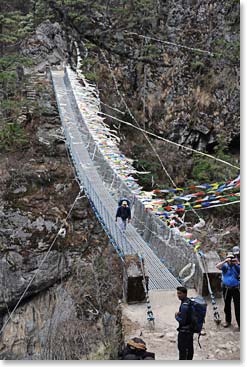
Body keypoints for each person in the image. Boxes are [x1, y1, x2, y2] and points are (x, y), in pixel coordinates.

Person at [216, 252, 240, 329]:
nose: (230, 260)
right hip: (226, 288)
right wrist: (225, 261)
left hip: (236, 288)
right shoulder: (225, 266)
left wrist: (237, 263)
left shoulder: (236, 266)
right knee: (227, 305)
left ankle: (240, 323)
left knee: (238, 306)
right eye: (229, 258)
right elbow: (217, 266)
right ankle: (228, 321)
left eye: (231, 258)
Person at [175, 286, 194, 360]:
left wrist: (176, 317)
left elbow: (182, 321)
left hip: (184, 331)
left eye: (180, 293)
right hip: (191, 329)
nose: (178, 295)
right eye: (177, 293)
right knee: (189, 348)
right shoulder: (189, 301)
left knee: (182, 349)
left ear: (185, 294)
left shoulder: (184, 306)